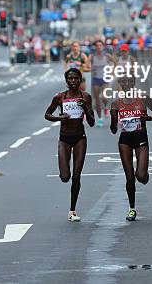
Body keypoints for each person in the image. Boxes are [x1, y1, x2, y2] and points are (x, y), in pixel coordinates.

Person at [44, 68, 95, 222]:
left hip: (80, 138)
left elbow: (92, 122)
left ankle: (72, 210)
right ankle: (63, 170)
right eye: (70, 79)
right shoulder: (59, 97)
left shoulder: (85, 97)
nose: (73, 81)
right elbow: (47, 114)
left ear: (81, 80)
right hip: (64, 139)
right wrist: (60, 118)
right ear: (66, 81)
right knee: (65, 177)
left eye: (76, 78)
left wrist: (85, 107)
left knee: (76, 176)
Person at [110, 75, 152, 221]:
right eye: (123, 81)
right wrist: (113, 119)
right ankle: (132, 209)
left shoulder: (143, 99)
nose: (126, 84)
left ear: (134, 83)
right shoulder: (116, 103)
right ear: (120, 83)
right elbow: (114, 130)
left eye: (129, 81)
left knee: (140, 176)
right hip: (125, 139)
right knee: (129, 177)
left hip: (141, 138)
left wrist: (149, 118)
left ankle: (144, 175)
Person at [90, 40, 111, 127]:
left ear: (103, 47)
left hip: (105, 79)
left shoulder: (106, 56)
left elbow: (116, 63)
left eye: (100, 45)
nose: (99, 47)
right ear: (95, 47)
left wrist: (112, 72)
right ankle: (100, 118)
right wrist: (91, 69)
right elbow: (87, 65)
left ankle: (106, 108)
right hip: (96, 79)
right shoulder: (92, 57)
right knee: (97, 100)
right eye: (97, 45)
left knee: (104, 97)